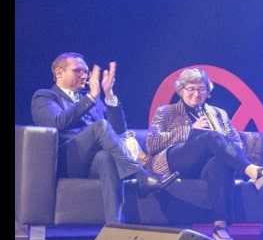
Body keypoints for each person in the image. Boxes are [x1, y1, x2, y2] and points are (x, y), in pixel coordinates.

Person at [30, 52, 175, 225]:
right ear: (59, 72)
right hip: (67, 160)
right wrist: (91, 97)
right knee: (100, 126)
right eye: (78, 71)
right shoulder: (45, 96)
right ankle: (141, 176)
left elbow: (118, 131)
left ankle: (115, 225)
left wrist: (108, 95)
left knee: (106, 158)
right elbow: (57, 122)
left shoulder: (91, 98)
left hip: (93, 161)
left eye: (86, 72)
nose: (84, 75)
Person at [147, 68, 263, 240]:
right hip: (176, 161)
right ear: (181, 90)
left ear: (208, 91)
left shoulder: (219, 114)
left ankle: (220, 226)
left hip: (205, 166)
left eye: (201, 89)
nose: (196, 93)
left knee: (220, 162)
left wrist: (223, 150)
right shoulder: (166, 112)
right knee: (211, 136)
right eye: (191, 89)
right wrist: (190, 131)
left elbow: (237, 143)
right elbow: (152, 143)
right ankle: (254, 173)